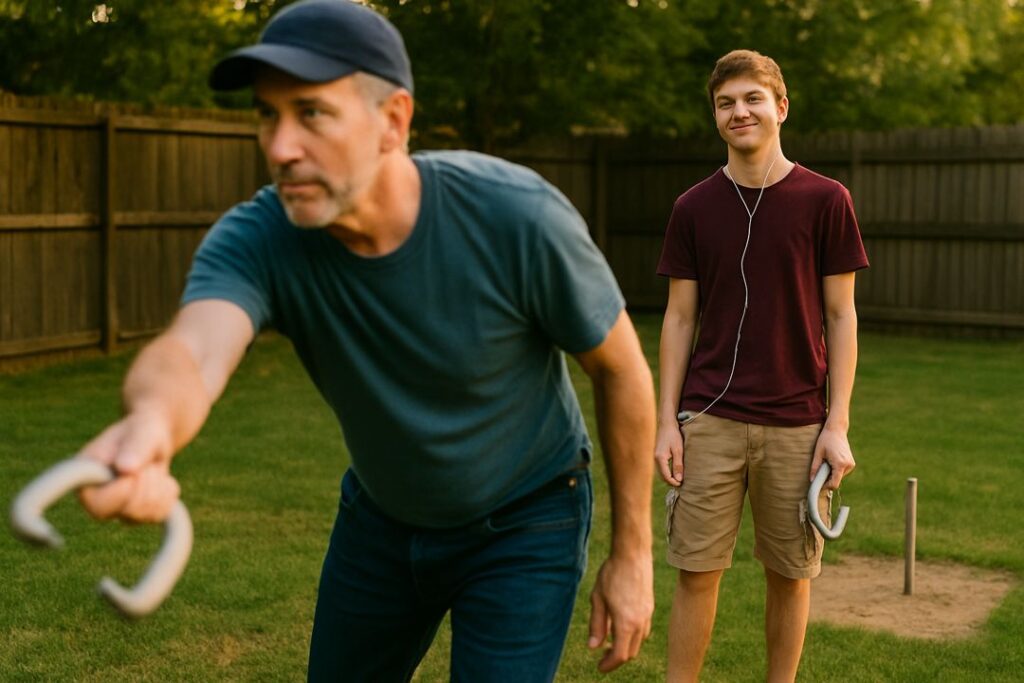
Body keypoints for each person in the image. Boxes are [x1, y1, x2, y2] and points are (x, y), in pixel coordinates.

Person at [75, 1, 656, 680]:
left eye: (312, 113)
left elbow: (620, 369)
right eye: (268, 114)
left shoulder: (516, 217)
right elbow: (195, 349)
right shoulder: (262, 237)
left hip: (526, 520)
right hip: (381, 521)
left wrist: (634, 554)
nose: (281, 145)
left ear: (393, 121)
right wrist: (150, 423)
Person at [654, 49, 869, 682]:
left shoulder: (826, 200)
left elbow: (841, 317)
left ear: (780, 107)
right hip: (709, 423)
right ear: (715, 116)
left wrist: (838, 423)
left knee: (791, 576)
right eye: (725, 103)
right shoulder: (692, 208)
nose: (738, 111)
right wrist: (668, 421)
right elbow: (678, 319)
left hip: (798, 424)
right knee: (696, 573)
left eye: (751, 98)